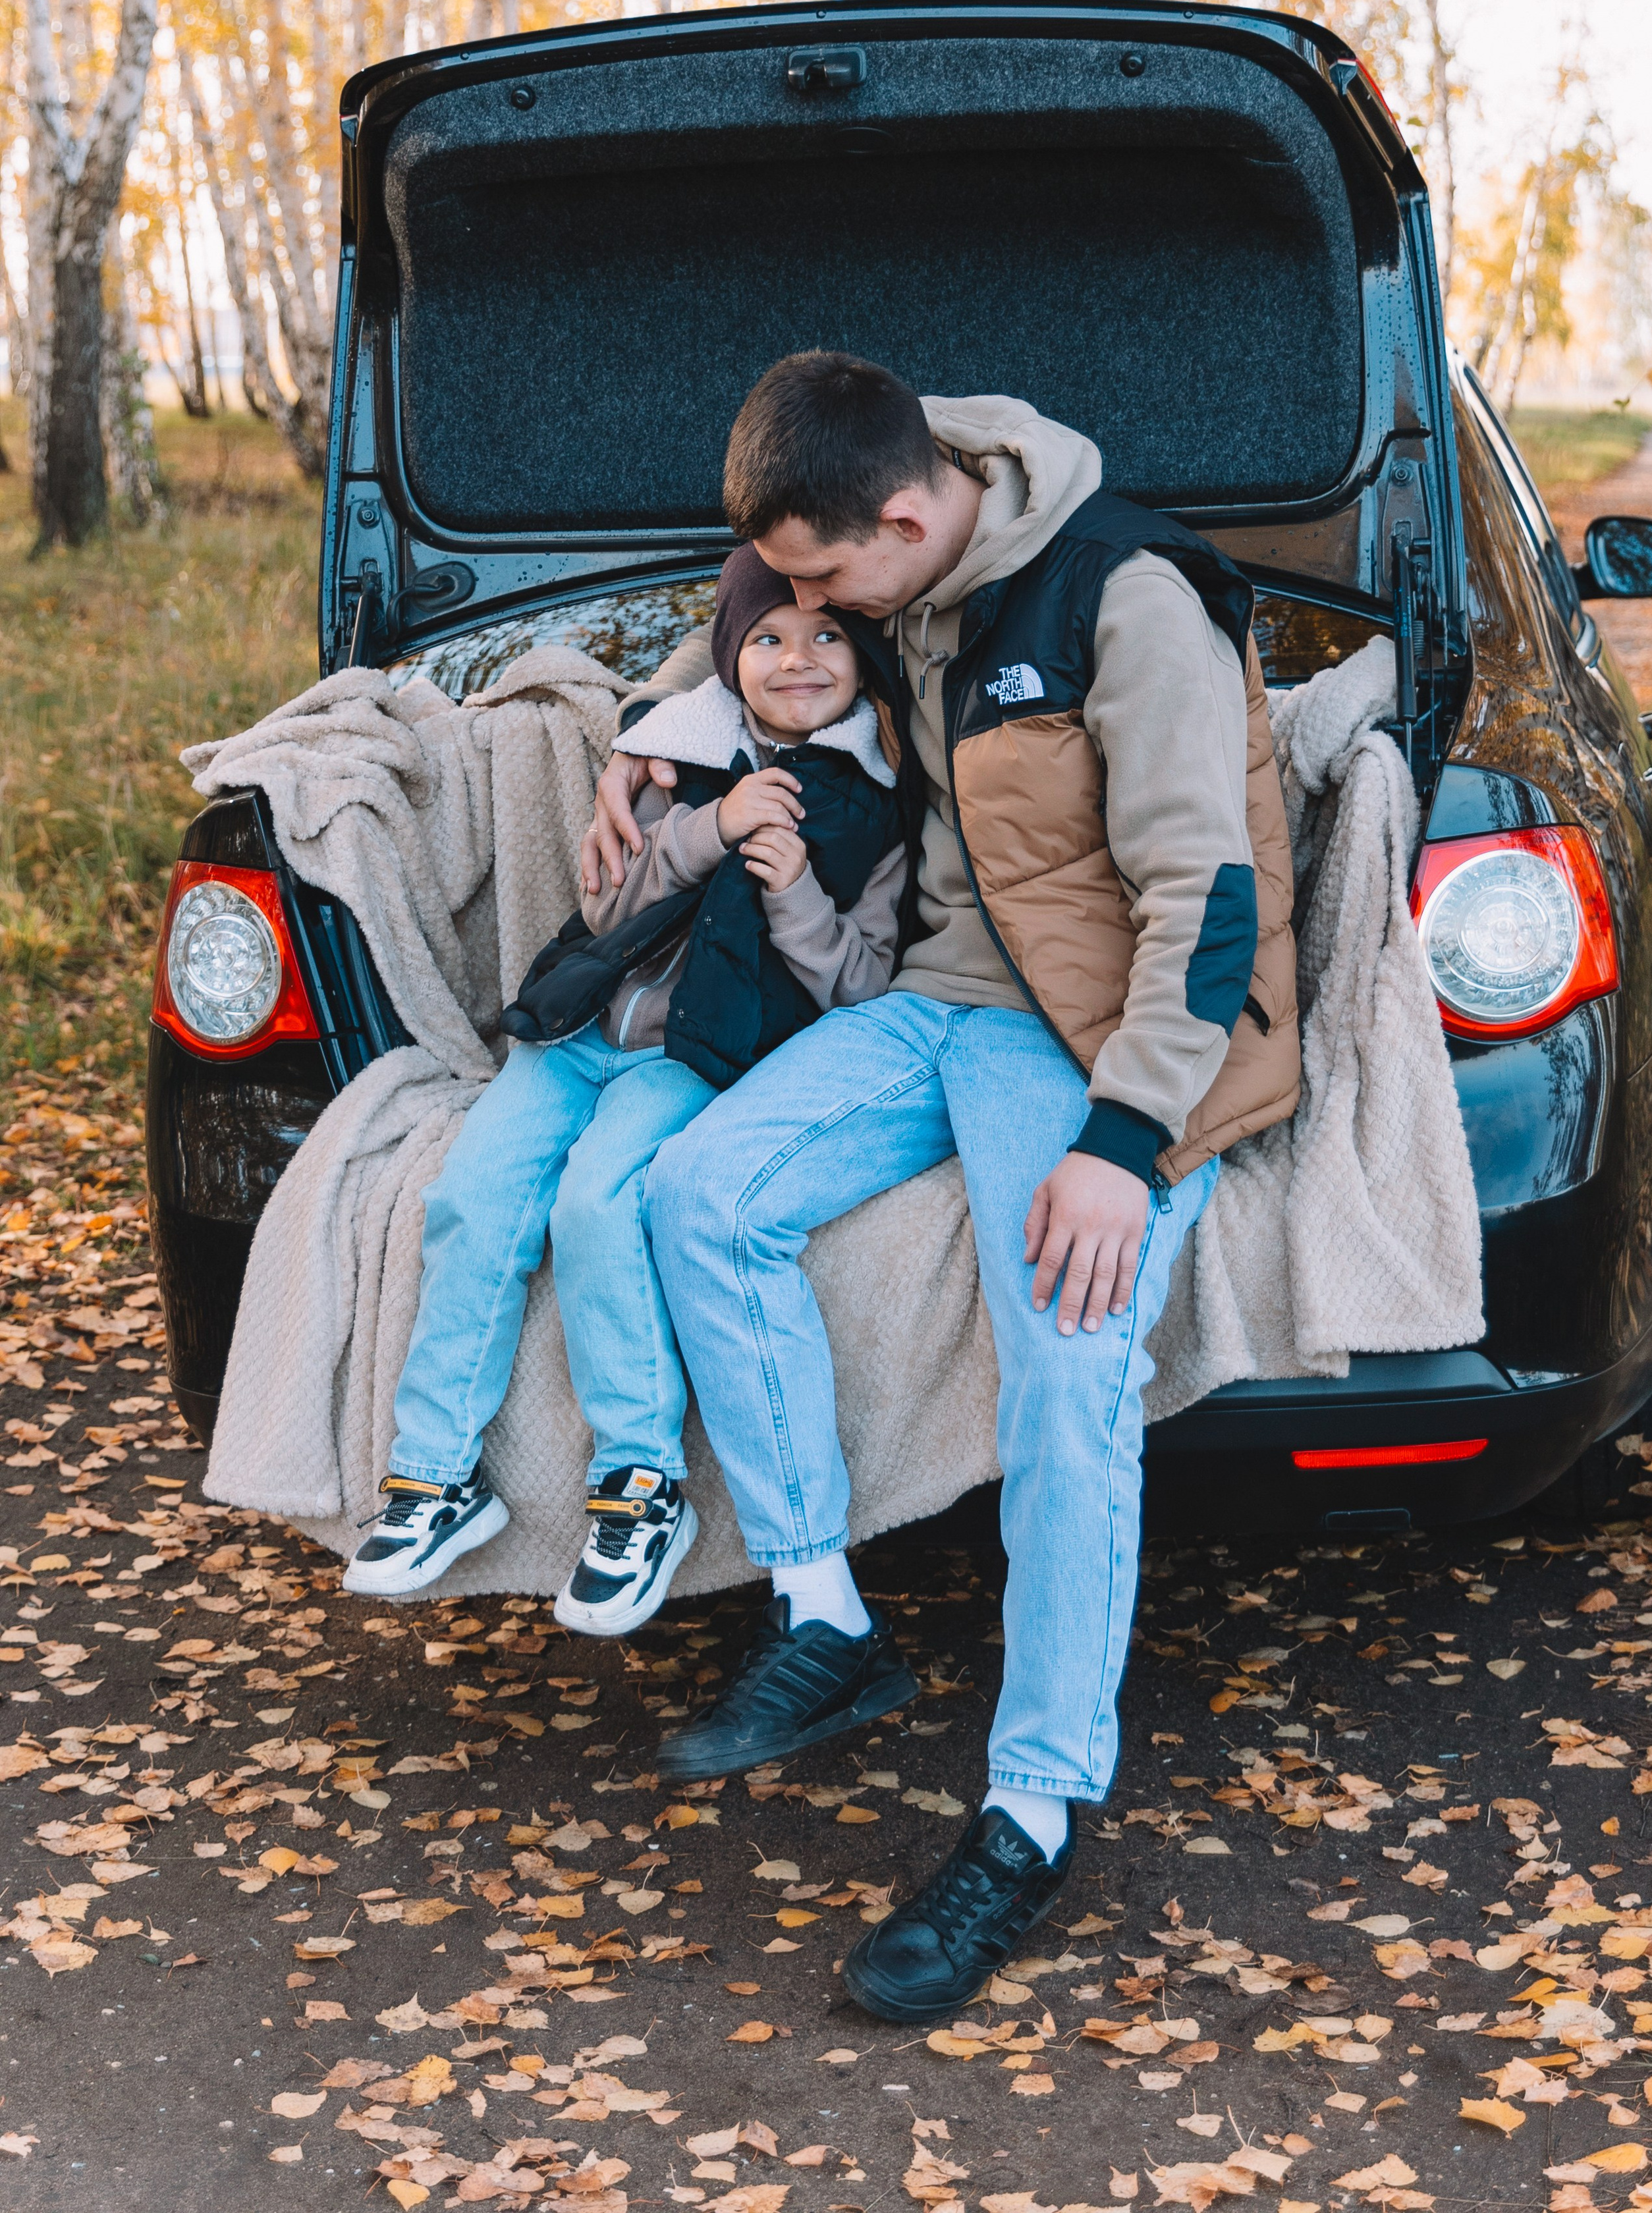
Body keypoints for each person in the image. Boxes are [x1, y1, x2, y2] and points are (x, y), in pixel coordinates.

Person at [581, 352, 1300, 2020]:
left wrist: (1124, 1149)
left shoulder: (1126, 602)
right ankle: (827, 1616)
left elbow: (1206, 894)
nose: (805, 615)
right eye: (791, 590)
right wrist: (648, 735)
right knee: (697, 1196)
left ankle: (1032, 1810)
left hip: (1106, 1033)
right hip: (932, 1000)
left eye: (828, 585)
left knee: (1065, 1359)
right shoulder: (892, 516)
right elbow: (750, 625)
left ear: (906, 525)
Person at [343, 541, 908, 1639]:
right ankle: (434, 1475)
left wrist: (794, 892)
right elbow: (607, 910)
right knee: (477, 1192)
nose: (798, 660)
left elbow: (861, 982)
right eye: (770, 640)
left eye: (828, 636)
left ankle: (641, 1488)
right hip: (573, 1032)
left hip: (689, 1058)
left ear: (866, 655)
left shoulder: (880, 808)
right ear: (729, 659)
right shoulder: (670, 757)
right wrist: (711, 827)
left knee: (601, 1202)